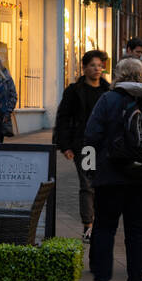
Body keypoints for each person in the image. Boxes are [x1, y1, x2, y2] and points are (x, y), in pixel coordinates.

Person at [82, 57, 142, 281]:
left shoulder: (107, 99)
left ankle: (101, 278)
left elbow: (91, 135)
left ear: (119, 76)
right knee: (136, 229)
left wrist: (90, 170)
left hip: (109, 175)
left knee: (104, 227)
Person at [52, 49, 110, 242]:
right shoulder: (74, 91)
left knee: (102, 185)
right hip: (85, 147)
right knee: (87, 185)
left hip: (104, 146)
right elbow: (64, 117)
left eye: (100, 65)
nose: (97, 69)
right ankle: (88, 225)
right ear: (84, 68)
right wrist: (65, 145)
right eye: (93, 65)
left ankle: (101, 222)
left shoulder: (107, 91)